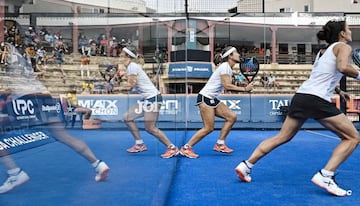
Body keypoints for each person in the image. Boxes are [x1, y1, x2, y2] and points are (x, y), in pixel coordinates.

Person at [235, 20, 360, 197]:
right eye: (348, 29)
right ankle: (326, 175)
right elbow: (342, 67)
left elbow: (321, 75)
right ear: (341, 33)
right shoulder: (343, 46)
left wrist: (339, 91)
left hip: (302, 96)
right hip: (316, 99)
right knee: (352, 138)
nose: (350, 32)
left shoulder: (323, 52)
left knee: (282, 136)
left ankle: (246, 165)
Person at [179, 46, 254, 158]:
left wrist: (244, 86)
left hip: (211, 98)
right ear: (230, 56)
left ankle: (220, 144)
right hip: (205, 98)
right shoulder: (225, 66)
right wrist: (244, 89)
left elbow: (226, 84)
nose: (238, 54)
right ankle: (186, 148)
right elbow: (227, 85)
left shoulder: (227, 68)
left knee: (231, 117)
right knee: (208, 128)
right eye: (236, 52)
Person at [118, 47, 179, 158]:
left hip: (153, 98)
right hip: (147, 99)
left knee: (150, 128)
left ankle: (172, 148)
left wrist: (117, 87)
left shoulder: (132, 67)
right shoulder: (131, 67)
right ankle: (139, 144)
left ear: (127, 56)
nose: (119, 56)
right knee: (127, 117)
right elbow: (132, 87)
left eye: (121, 54)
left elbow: (130, 85)